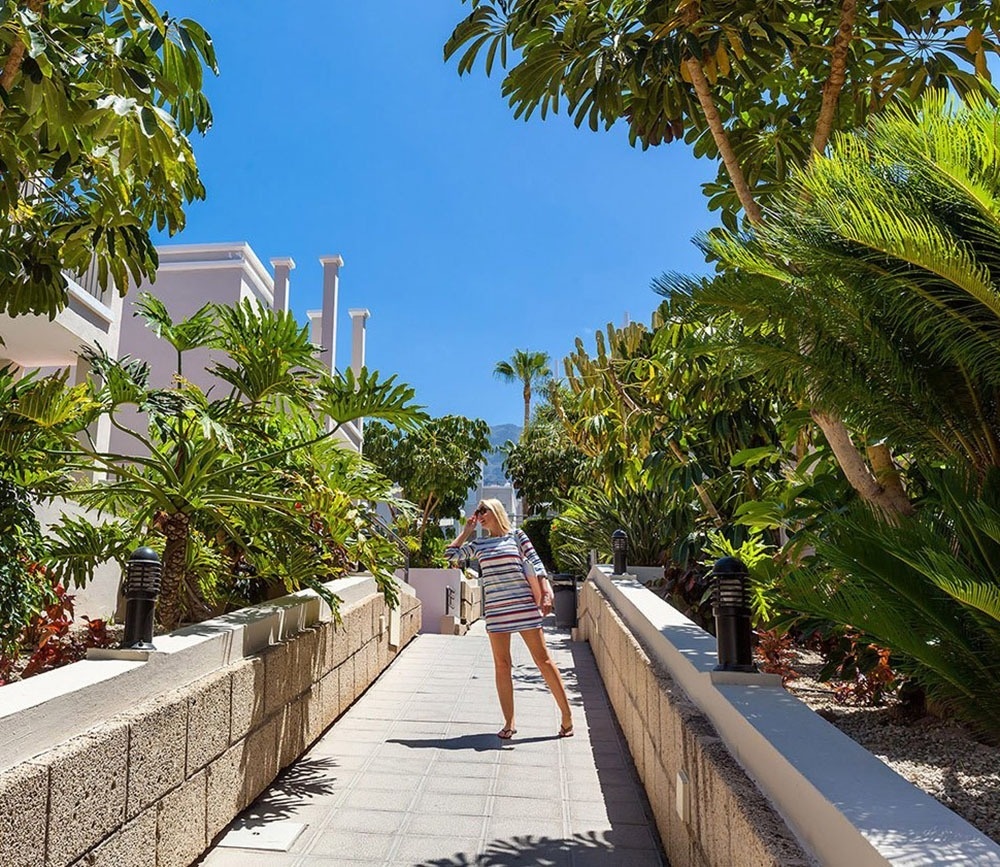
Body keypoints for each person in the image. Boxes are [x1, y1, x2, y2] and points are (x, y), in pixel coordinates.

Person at [446, 498, 574, 740]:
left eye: (484, 511)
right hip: (496, 611)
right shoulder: (480, 544)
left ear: (496, 511)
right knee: (502, 666)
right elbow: (450, 555)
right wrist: (466, 532)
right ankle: (509, 721)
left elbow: (536, 563)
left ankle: (567, 716)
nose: (480, 515)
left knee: (543, 660)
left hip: (524, 606)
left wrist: (546, 591)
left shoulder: (516, 536)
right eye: (478, 511)